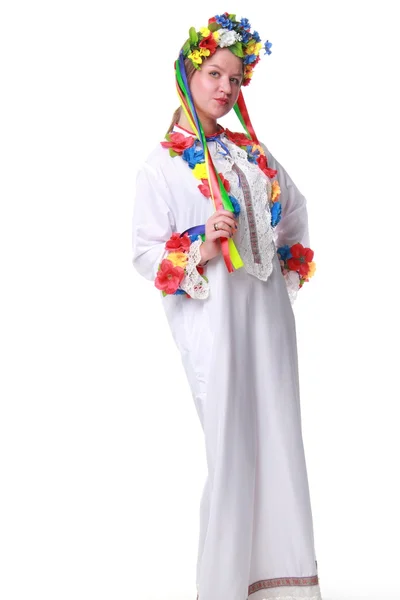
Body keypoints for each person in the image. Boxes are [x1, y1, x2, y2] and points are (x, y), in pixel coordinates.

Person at [132, 12, 322, 600]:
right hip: (215, 324)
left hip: (267, 318)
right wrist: (204, 246)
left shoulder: (253, 155)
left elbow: (294, 210)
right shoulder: (162, 164)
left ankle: (282, 587)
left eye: (235, 80)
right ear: (189, 74)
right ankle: (225, 587)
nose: (224, 88)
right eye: (214, 73)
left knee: (279, 438)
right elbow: (145, 254)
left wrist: (275, 257)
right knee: (232, 445)